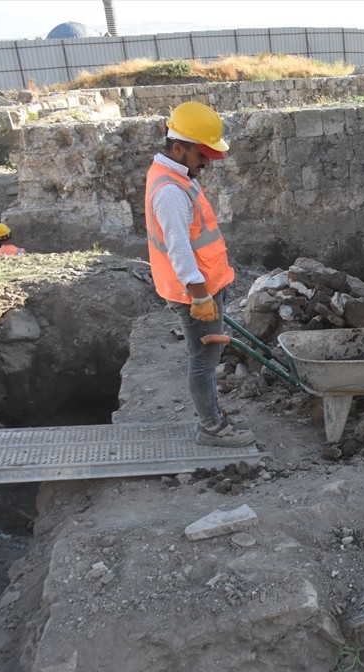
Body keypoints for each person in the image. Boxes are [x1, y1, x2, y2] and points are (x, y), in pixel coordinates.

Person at [145, 100, 254, 447]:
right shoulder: (170, 192)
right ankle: (212, 428)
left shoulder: (176, 175)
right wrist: (200, 296)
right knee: (204, 362)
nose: (206, 162)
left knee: (206, 358)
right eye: (201, 155)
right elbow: (178, 248)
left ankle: (214, 416)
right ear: (178, 148)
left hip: (204, 285)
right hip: (196, 292)